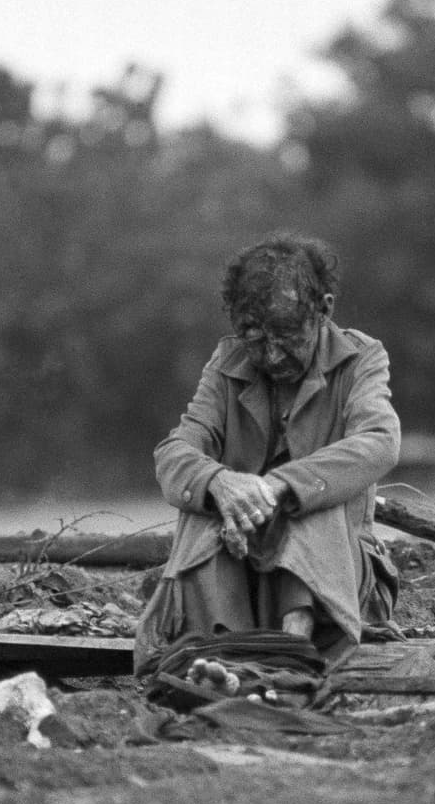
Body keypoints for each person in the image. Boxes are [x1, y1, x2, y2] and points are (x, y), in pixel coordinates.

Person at [135, 232, 402, 672]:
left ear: (324, 310)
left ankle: (290, 658)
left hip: (336, 586)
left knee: (313, 503)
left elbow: (380, 441)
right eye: (255, 339)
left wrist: (277, 488)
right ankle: (218, 657)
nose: (272, 356)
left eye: (287, 336)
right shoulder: (226, 364)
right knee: (202, 503)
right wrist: (219, 483)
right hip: (245, 578)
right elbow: (175, 452)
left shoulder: (362, 359)